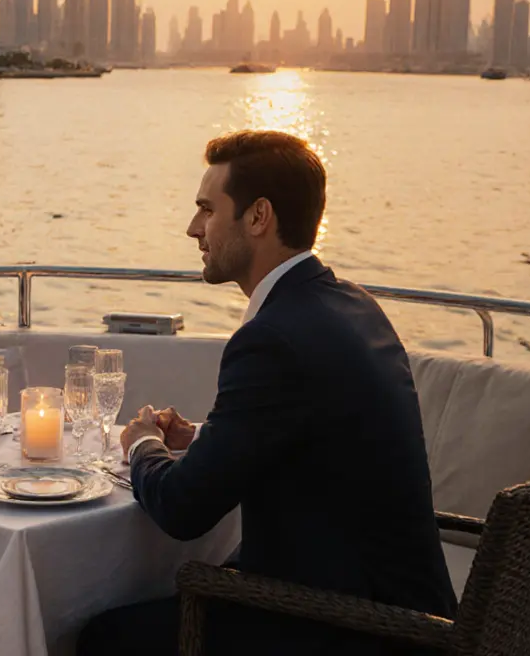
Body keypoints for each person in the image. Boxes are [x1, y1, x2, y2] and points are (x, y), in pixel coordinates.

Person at [77, 131, 457, 655]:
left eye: (207, 210)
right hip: (412, 612)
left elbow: (183, 510)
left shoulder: (271, 339)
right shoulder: (352, 305)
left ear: (258, 217)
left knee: (100, 638)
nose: (193, 229)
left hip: (349, 628)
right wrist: (203, 438)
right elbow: (306, 437)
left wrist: (142, 443)